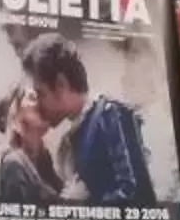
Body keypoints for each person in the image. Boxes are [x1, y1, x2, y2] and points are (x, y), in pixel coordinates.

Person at [25, 35, 158, 205]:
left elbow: (136, 194)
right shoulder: (74, 136)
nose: (38, 104)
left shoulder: (110, 114)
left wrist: (85, 204)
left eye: (41, 93)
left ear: (61, 85)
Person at [0, 85, 63, 204]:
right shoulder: (13, 165)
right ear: (15, 114)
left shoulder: (43, 160)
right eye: (33, 97)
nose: (43, 103)